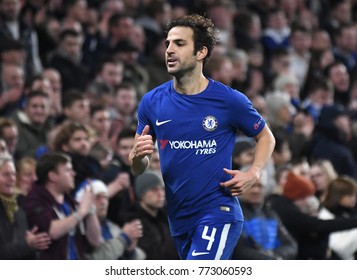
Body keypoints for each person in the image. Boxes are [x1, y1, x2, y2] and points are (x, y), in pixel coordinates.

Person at [129, 14, 276, 260]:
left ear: (201, 52)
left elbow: (266, 137)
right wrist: (138, 157)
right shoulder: (151, 102)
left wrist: (253, 173)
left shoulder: (229, 100)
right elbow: (139, 167)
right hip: (179, 219)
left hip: (218, 211)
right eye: (167, 43)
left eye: (179, 43)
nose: (169, 50)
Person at [22, 152, 101, 259]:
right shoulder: (34, 200)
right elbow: (52, 231)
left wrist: (90, 209)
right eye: (68, 170)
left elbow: (95, 241)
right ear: (52, 176)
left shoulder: (69, 201)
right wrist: (81, 212)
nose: (74, 174)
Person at [76, 179, 146, 260]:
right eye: (97, 197)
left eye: (105, 197)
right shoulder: (80, 229)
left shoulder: (112, 227)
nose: (103, 202)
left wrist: (130, 252)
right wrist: (124, 238)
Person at [0, 153, 51, 259]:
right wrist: (27, 244)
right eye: (6, 174)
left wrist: (34, 243)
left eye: (13, 174)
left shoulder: (19, 206)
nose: (12, 179)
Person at [123, 171, 179, 260]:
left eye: (162, 189)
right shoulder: (134, 223)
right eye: (154, 189)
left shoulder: (166, 215)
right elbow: (155, 257)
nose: (161, 194)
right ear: (141, 194)